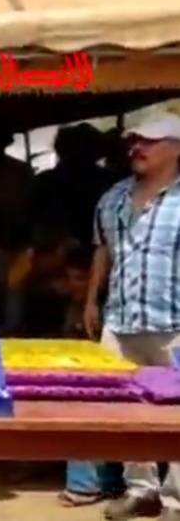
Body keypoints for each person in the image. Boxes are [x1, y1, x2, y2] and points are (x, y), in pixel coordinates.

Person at [84, 112, 180, 521]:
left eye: (149, 141)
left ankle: (176, 500)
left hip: (174, 322)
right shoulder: (114, 197)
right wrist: (92, 300)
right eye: (134, 141)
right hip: (121, 319)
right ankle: (141, 489)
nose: (137, 148)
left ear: (175, 148)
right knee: (127, 411)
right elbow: (102, 250)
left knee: (178, 413)